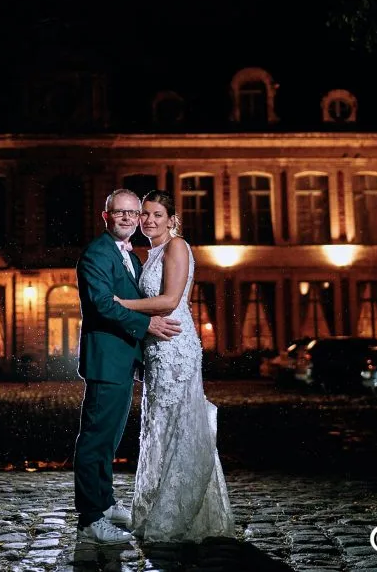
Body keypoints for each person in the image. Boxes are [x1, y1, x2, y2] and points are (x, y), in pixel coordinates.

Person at [114, 189, 235, 543]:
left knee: (179, 423)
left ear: (171, 219)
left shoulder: (177, 246)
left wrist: (121, 304)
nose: (149, 220)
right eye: (145, 215)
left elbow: (168, 300)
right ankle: (157, 505)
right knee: (159, 426)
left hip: (176, 347)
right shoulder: (149, 254)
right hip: (156, 348)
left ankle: (177, 512)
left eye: (157, 215)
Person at [74, 188, 182, 545]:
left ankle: (104, 504)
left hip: (122, 358)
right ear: (106, 216)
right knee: (95, 439)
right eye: (119, 212)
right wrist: (147, 326)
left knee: (109, 439)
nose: (127, 218)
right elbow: (103, 305)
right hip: (106, 359)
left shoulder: (131, 257)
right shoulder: (96, 253)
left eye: (133, 213)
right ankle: (90, 518)